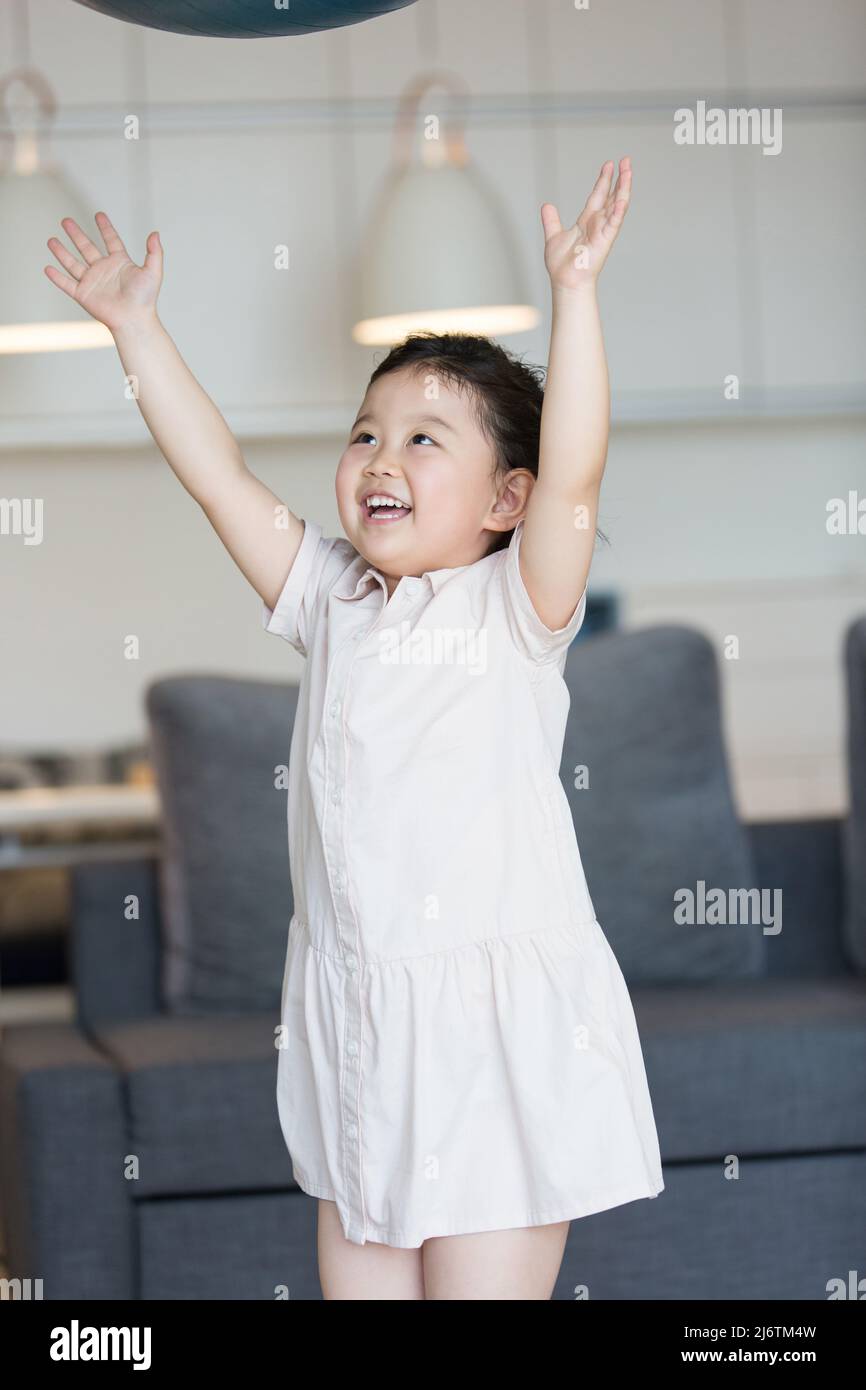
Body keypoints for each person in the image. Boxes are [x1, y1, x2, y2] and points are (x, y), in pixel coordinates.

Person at [44, 155, 664, 1300]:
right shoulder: (329, 601)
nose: (381, 458)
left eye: (425, 439)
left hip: (489, 1047)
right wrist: (135, 329)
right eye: (366, 432)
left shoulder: (514, 609)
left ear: (501, 501)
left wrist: (574, 295)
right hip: (358, 1035)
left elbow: (574, 474)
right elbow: (219, 477)